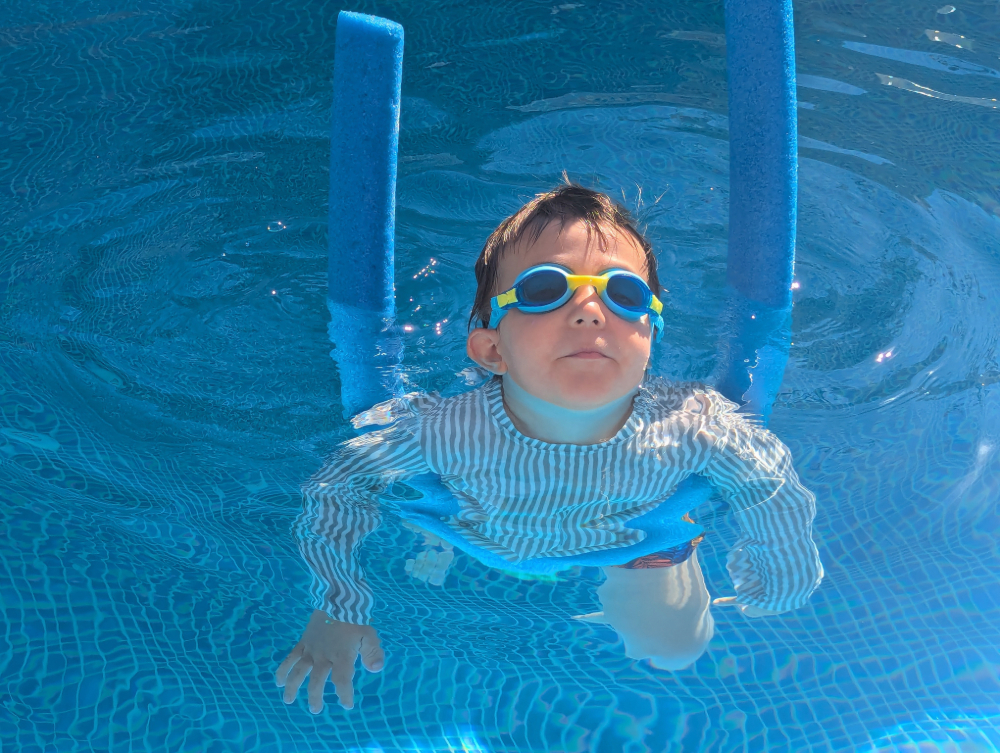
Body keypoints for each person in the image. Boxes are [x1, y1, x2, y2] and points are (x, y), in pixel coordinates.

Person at [275, 181, 824, 713]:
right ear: (491, 350)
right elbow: (339, 486)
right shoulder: (443, 433)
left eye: (624, 294)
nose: (590, 310)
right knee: (423, 516)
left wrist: (784, 569)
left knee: (677, 649)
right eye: (546, 289)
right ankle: (434, 544)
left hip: (635, 544)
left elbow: (770, 481)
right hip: (476, 525)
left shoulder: (692, 427)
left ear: (649, 340)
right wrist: (338, 603)